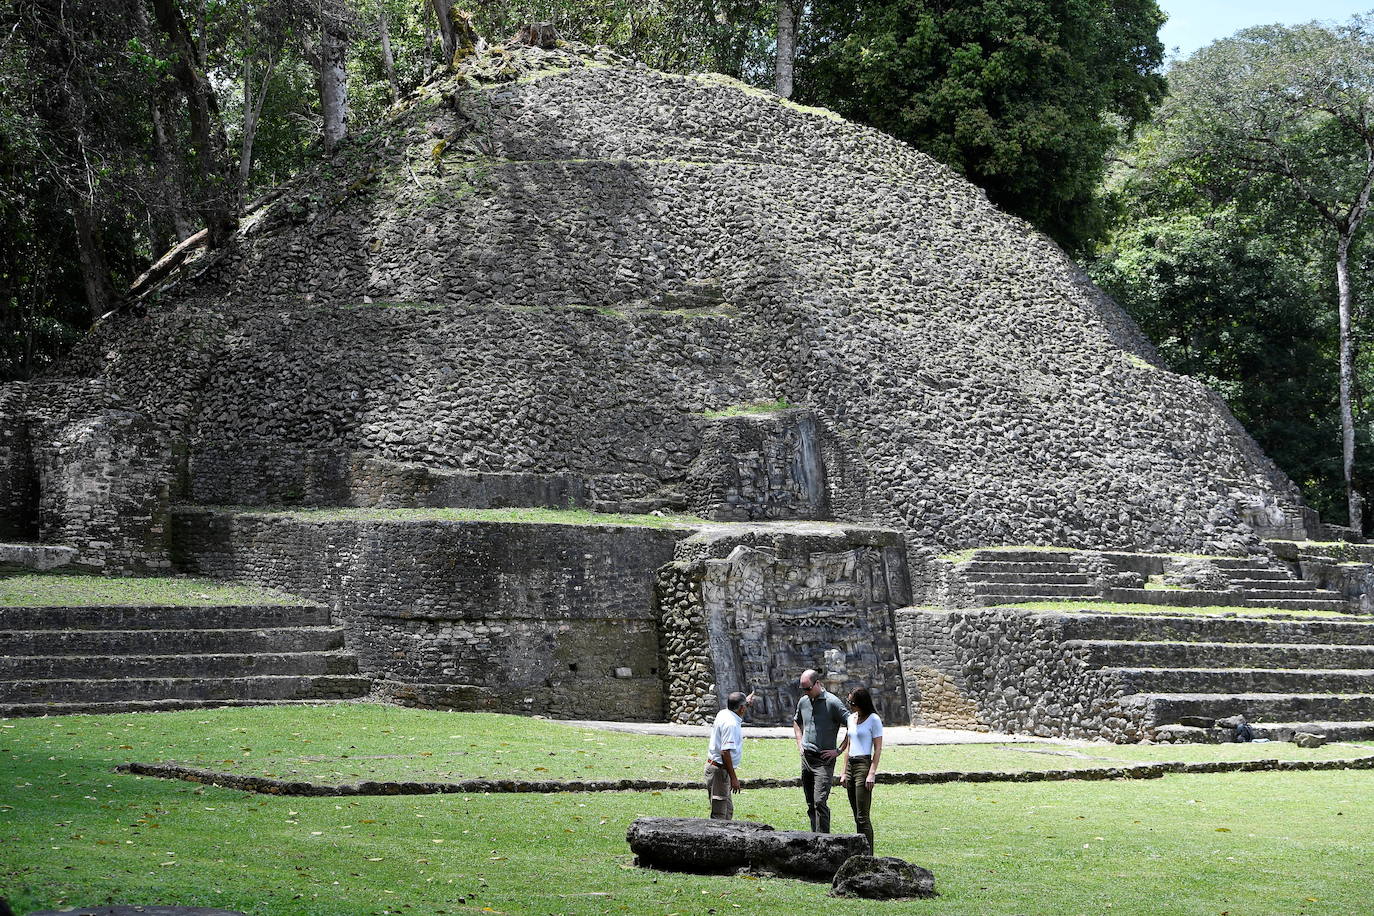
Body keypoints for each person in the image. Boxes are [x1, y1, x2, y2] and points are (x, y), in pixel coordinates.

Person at [792, 668, 848, 833]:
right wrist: (799, 742)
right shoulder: (803, 701)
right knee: (810, 803)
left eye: (808, 688)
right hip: (807, 758)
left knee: (819, 802)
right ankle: (814, 837)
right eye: (803, 689)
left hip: (824, 760)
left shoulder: (833, 702)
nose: (806, 692)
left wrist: (838, 751)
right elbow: (796, 721)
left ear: (818, 683)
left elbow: (852, 726)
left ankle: (824, 840)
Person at [838, 685, 883, 853]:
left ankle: (868, 854)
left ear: (862, 703)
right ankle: (860, 851)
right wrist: (843, 771)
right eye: (849, 702)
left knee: (863, 816)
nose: (850, 706)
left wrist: (871, 773)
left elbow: (878, 748)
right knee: (856, 813)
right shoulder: (851, 719)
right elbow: (849, 745)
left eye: (853, 703)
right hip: (851, 764)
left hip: (864, 764)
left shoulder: (874, 720)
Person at [705, 690, 754, 820]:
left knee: (727, 811)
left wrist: (746, 703)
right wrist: (734, 778)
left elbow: (737, 708)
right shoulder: (731, 724)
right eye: (745, 706)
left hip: (720, 769)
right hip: (720, 771)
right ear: (742, 708)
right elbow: (725, 752)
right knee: (719, 814)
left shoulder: (724, 713)